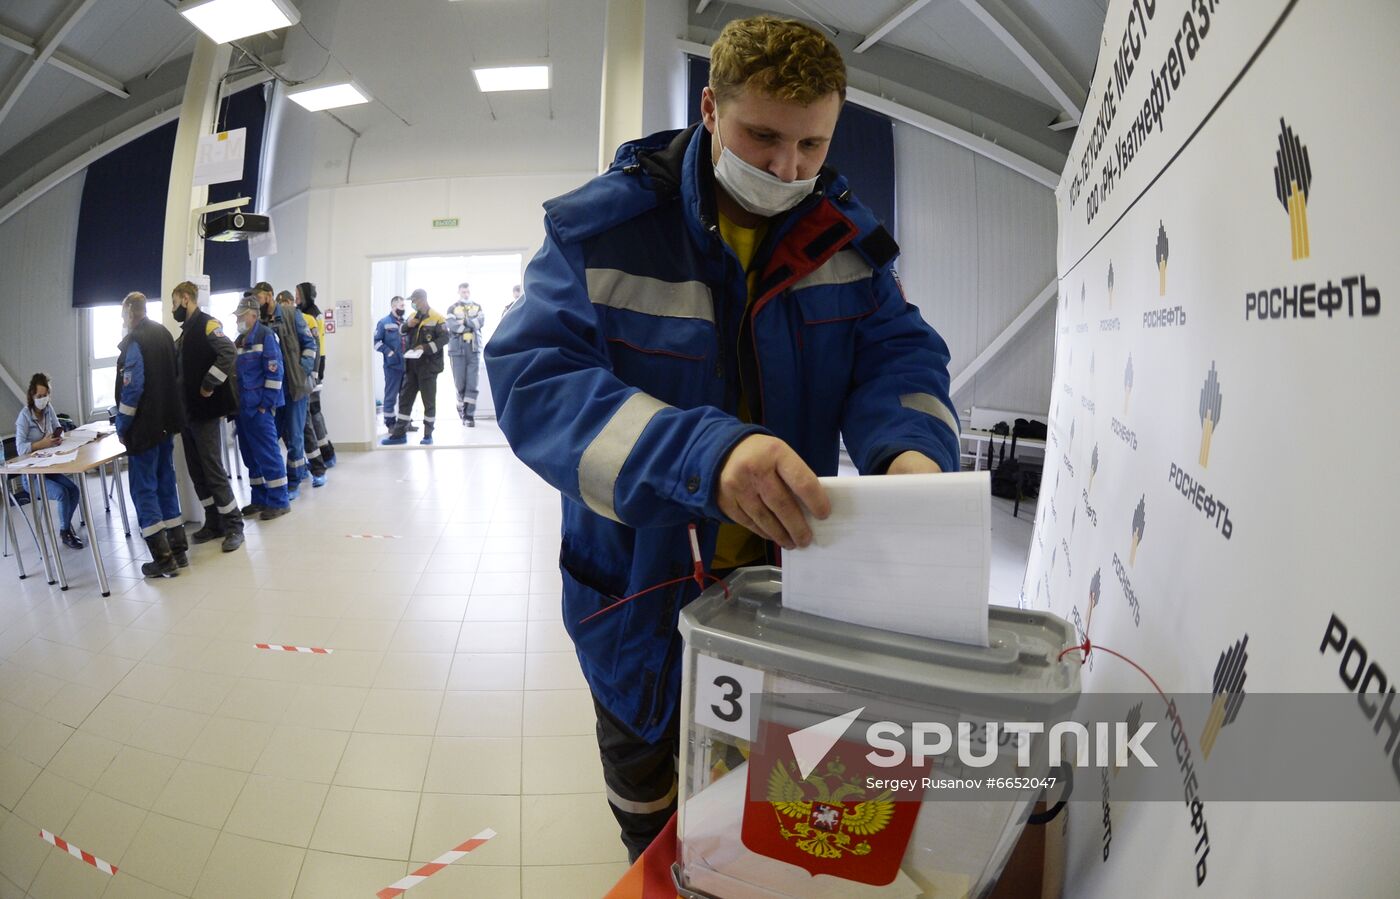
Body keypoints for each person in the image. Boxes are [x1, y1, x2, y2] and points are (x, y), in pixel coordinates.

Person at [485, 15, 959, 860]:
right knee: (650, 804)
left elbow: (900, 353)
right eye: (764, 136)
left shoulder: (846, 243)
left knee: (783, 804)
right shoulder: (601, 234)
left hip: (786, 591)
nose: (788, 167)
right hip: (638, 591)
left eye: (813, 144)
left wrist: (911, 452)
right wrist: (707, 455)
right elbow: (534, 379)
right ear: (709, 107)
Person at [115, 291, 189, 578]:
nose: (123, 321)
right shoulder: (163, 334)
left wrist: (122, 426)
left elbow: (132, 390)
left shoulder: (135, 342)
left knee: (144, 490)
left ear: (131, 313)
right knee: (165, 483)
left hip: (144, 430)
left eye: (123, 315)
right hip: (165, 425)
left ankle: (163, 558)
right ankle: (179, 551)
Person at [170, 281, 244, 553]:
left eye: (174, 302)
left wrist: (209, 383)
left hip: (206, 413)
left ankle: (234, 526)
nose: (173, 308)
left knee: (213, 471)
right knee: (197, 472)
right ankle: (214, 523)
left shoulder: (208, 325)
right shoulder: (184, 334)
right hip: (187, 415)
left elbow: (228, 353)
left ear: (186, 299)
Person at [232, 295, 290, 520]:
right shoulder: (240, 339)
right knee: (250, 455)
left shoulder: (266, 336)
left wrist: (266, 406)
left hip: (259, 409)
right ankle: (260, 498)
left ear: (253, 315)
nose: (238, 320)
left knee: (267, 454)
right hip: (243, 409)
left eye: (241, 316)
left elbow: (275, 374)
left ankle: (279, 501)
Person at [255, 282, 316, 497]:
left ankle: (294, 481)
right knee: (275, 435)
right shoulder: (259, 322)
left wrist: (302, 370)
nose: (257, 303)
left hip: (295, 386)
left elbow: (310, 344)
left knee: (295, 435)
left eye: (259, 298)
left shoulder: (292, 314)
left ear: (270, 296)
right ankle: (282, 476)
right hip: (273, 391)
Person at [13, 373, 84, 549]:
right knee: (61, 493)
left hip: (49, 467)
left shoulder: (48, 409)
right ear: (31, 396)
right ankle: (65, 531)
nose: (43, 400)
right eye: (39, 396)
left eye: (45, 396)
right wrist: (41, 444)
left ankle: (64, 529)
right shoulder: (24, 417)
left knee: (73, 490)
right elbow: (20, 448)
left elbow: (55, 428)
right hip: (32, 476)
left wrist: (56, 438)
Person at [381, 288, 447, 445]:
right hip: (411, 367)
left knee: (428, 401)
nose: (412, 304)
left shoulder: (437, 318)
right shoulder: (412, 317)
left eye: (414, 301)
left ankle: (428, 435)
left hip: (428, 367)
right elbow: (401, 331)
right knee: (405, 399)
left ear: (422, 300)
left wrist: (425, 347)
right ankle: (399, 435)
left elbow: (444, 338)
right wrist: (407, 325)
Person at [296, 281, 336, 477]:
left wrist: (314, 372)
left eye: (298, 293)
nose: (296, 297)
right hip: (311, 364)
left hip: (316, 363)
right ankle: (322, 453)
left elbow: (315, 344)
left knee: (313, 410)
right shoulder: (301, 311)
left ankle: (326, 454)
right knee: (310, 413)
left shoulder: (313, 314)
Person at [445, 282, 486, 427]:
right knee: (460, 383)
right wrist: (469, 325)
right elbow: (452, 325)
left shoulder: (477, 306)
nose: (466, 294)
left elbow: (480, 322)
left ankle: (469, 416)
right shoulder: (452, 308)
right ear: (458, 292)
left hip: (474, 349)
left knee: (472, 384)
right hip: (457, 350)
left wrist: (465, 322)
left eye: (467, 291)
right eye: (463, 292)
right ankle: (461, 406)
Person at [373, 295, 412, 432]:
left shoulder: (406, 323)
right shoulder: (384, 322)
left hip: (407, 366)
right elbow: (375, 342)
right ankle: (390, 423)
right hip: (392, 366)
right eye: (401, 306)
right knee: (391, 396)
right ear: (393, 306)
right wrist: (388, 352)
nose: (403, 308)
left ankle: (405, 423)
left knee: (406, 396)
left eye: (404, 306)